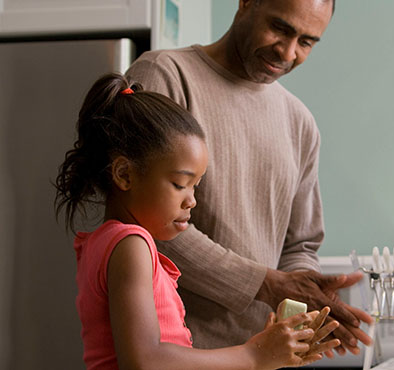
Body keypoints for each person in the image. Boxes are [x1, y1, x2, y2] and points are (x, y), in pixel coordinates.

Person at [125, 0, 373, 356]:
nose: (288, 52)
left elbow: (300, 245)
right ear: (246, 4)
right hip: (176, 356)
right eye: (280, 28)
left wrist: (307, 296)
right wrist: (266, 284)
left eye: (306, 42)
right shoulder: (165, 75)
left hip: (262, 359)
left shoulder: (299, 122)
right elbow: (144, 220)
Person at [54, 73, 340, 369]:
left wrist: (267, 350)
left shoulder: (109, 243)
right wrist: (254, 355)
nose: (191, 200)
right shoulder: (130, 245)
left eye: (195, 186)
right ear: (124, 174)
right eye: (180, 184)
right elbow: (145, 360)